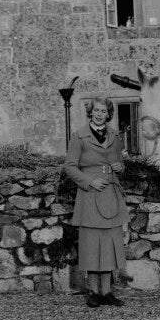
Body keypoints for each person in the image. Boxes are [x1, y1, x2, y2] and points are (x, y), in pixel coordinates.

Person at [64, 95, 129, 308]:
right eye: (97, 111)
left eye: (104, 111)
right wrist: (90, 181)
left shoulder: (115, 135)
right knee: (92, 243)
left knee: (110, 241)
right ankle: (92, 292)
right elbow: (70, 167)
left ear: (108, 114)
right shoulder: (79, 137)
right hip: (90, 194)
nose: (100, 114)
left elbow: (119, 161)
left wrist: (120, 167)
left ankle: (107, 292)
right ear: (90, 112)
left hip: (111, 193)